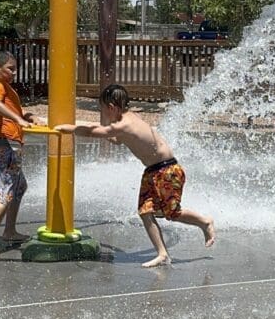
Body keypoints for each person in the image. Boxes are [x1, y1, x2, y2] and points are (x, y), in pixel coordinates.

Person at [55, 83, 215, 268]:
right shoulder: (127, 119)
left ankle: (205, 222)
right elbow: (115, 140)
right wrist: (102, 131)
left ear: (111, 107)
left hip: (168, 171)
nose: (104, 115)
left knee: (172, 213)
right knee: (145, 211)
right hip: (153, 171)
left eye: (103, 110)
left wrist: (67, 128)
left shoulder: (126, 124)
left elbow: (94, 132)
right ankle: (162, 254)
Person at [0, 50, 38, 259]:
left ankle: (9, 231)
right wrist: (19, 121)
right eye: (10, 68)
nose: (14, 72)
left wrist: (27, 116)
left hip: (6, 142)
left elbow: (9, 111)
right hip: (4, 143)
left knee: (19, 186)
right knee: (6, 189)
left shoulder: (5, 87)